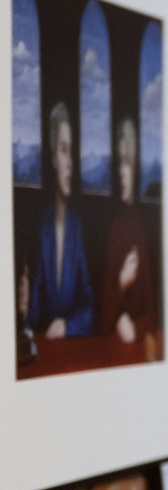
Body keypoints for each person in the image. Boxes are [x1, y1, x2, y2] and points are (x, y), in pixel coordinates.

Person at [19, 100, 94, 342]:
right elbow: (35, 307)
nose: (70, 161)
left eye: (72, 150)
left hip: (77, 355)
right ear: (53, 159)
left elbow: (93, 310)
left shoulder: (82, 226)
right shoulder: (42, 226)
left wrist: (68, 326)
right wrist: (23, 314)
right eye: (63, 150)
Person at [99, 116, 156, 352]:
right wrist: (121, 282)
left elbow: (157, 310)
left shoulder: (146, 226)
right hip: (109, 351)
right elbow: (101, 321)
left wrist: (136, 327)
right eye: (119, 163)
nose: (122, 172)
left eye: (128, 163)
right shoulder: (111, 226)